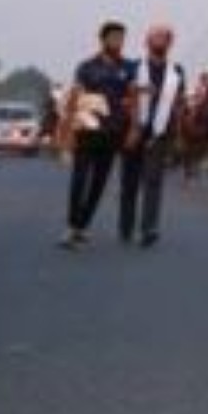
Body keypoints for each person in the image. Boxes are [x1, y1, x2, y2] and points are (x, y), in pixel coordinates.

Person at [58, 21, 135, 250]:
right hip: (88, 130)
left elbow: (133, 100)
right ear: (103, 40)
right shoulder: (87, 67)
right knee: (79, 179)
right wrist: (69, 130)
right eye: (114, 38)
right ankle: (72, 226)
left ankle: (83, 226)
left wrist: (132, 127)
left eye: (121, 38)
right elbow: (76, 97)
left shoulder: (129, 68)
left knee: (99, 183)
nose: (118, 42)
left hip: (113, 133)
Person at [118, 24, 186, 246]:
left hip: (160, 132)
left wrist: (177, 135)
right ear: (147, 41)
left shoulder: (176, 72)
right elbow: (123, 98)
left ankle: (149, 228)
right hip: (134, 130)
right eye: (156, 37)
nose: (160, 41)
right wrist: (132, 123)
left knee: (153, 181)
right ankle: (126, 226)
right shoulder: (133, 67)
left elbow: (178, 104)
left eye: (165, 38)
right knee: (130, 182)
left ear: (170, 43)